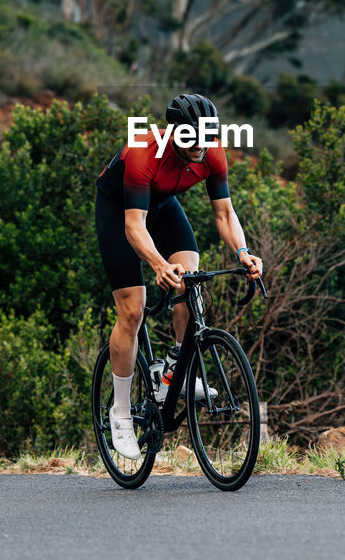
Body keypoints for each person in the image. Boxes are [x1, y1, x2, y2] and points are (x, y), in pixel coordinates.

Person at [94, 93, 263, 460]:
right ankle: (120, 413)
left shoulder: (212, 152)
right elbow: (134, 226)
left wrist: (243, 251)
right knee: (132, 312)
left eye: (208, 136)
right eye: (194, 138)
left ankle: (171, 370)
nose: (202, 145)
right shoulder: (143, 152)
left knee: (192, 282)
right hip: (119, 212)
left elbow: (224, 214)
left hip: (162, 205)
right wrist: (158, 264)